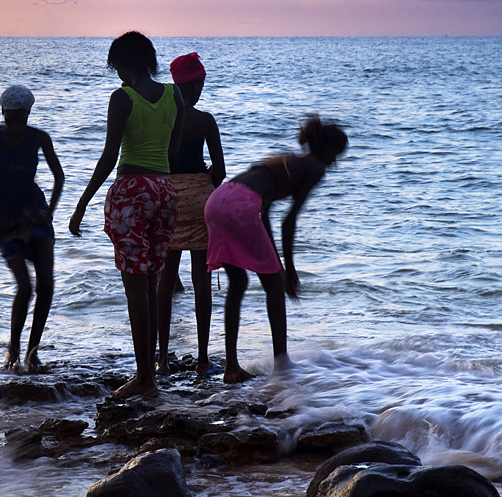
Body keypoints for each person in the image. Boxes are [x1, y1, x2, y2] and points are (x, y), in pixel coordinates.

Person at [70, 31, 184, 398]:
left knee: (135, 288)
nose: (116, 72)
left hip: (132, 191)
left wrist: (83, 202)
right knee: (150, 282)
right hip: (166, 192)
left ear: (125, 63)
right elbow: (174, 147)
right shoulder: (174, 94)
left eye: (116, 65)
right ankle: (150, 371)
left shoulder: (122, 98)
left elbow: (108, 156)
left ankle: (145, 379)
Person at [205, 115, 347, 383]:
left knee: (238, 283)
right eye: (336, 154)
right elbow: (289, 220)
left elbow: (264, 209)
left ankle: (231, 367)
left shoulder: (288, 161)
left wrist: (277, 262)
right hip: (241, 205)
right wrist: (287, 270)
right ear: (326, 149)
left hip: (218, 200)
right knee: (274, 284)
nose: (335, 162)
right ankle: (282, 364)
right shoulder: (315, 168)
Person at [0, 85, 64, 373]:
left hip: (36, 217)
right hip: (6, 220)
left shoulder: (39, 138)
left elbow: (59, 177)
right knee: (24, 287)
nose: (16, 122)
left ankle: (33, 353)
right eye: (11, 116)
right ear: (3, 112)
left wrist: (49, 213)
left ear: (28, 114)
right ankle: (13, 349)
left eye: (21, 117)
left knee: (46, 285)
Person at [156, 52, 225, 377]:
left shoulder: (163, 117)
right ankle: (201, 359)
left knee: (165, 280)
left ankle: (162, 360)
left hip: (167, 197)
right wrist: (204, 184)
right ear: (196, 85)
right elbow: (220, 170)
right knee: (202, 282)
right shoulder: (204, 120)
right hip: (200, 199)